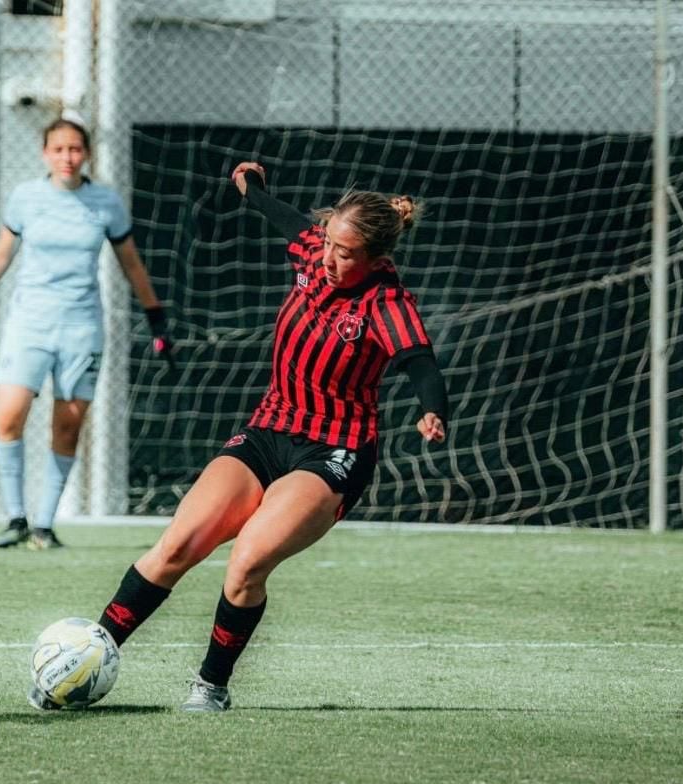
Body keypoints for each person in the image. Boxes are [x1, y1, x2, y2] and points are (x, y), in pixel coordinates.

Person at [44, 160, 449, 712]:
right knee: (178, 546)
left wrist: (432, 409)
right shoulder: (312, 253)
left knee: (247, 562)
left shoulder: (385, 302)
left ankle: (211, 686)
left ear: (376, 258)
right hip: (269, 429)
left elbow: (420, 361)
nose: (330, 258)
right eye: (328, 243)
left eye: (346, 253)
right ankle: (83, 661)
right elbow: (280, 215)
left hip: (334, 450)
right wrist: (249, 186)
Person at [0, 116, 172, 551]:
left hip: (81, 328)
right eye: (58, 149)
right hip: (28, 324)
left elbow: (132, 264)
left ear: (87, 153)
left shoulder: (105, 202)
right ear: (45, 153)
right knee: (8, 418)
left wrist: (156, 318)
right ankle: (15, 517)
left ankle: (45, 525)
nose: (67, 157)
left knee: (67, 428)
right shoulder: (26, 199)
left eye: (75, 149)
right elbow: (0, 255)